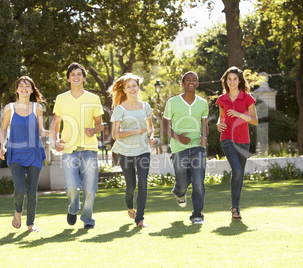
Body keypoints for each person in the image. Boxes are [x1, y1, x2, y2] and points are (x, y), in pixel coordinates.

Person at [51, 62, 104, 229]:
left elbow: (100, 124)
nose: (76, 77)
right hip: (68, 149)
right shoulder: (61, 99)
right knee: (72, 187)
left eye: (79, 74)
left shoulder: (93, 99)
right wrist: (56, 140)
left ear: (84, 78)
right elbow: (56, 122)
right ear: (68, 79)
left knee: (90, 189)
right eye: (72, 74)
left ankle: (87, 219)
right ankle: (73, 207)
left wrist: (94, 129)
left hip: (89, 149)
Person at [0, 76, 55, 232]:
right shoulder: (9, 108)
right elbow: (4, 129)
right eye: (21, 86)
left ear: (32, 89)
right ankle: (18, 211)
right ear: (16, 90)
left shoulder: (37, 108)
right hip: (15, 153)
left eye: (27, 86)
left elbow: (41, 130)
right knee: (19, 190)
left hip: (34, 153)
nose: (24, 88)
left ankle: (30, 223)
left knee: (31, 192)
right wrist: (2, 146)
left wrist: (51, 134)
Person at [109, 73, 156, 228]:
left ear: (138, 87)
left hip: (143, 149)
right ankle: (129, 205)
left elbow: (151, 128)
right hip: (125, 151)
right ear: (124, 89)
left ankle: (140, 219)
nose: (132, 89)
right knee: (131, 186)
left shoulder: (145, 106)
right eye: (128, 86)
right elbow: (115, 135)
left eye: (134, 85)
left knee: (143, 183)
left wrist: (151, 136)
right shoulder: (119, 109)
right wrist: (134, 131)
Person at [163, 71, 209, 225]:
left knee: (198, 182)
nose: (191, 81)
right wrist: (178, 137)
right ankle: (179, 192)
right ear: (182, 84)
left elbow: (204, 124)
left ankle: (197, 214)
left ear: (197, 84)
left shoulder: (202, 103)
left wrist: (204, 137)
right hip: (178, 148)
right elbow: (164, 123)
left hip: (198, 147)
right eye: (187, 79)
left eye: (194, 80)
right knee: (182, 182)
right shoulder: (172, 102)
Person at [216, 66, 258, 220]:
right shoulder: (222, 99)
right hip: (227, 138)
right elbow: (222, 118)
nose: (232, 82)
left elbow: (255, 121)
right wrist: (218, 124)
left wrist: (240, 114)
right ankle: (236, 208)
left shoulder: (247, 98)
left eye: (235, 79)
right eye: (229, 79)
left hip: (243, 141)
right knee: (238, 171)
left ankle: (235, 205)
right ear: (225, 81)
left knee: (239, 173)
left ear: (239, 80)